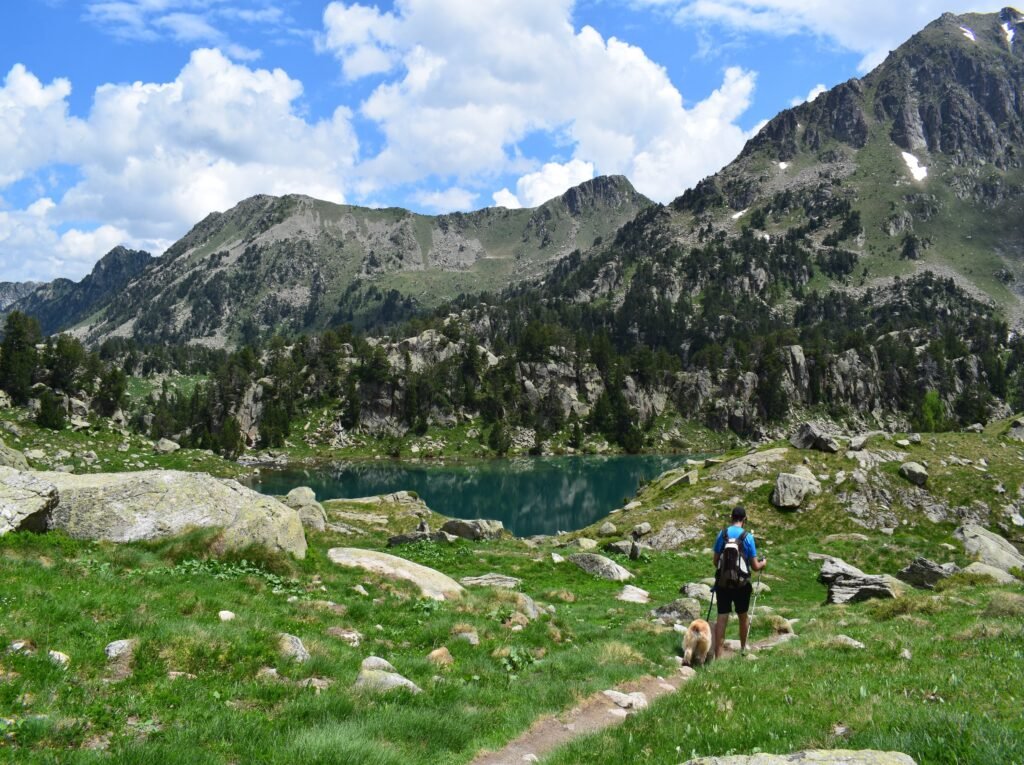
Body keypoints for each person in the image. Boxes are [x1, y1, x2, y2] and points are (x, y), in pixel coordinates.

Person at [712, 505, 767, 658]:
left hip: (723, 584)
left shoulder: (722, 534)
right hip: (742, 585)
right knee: (743, 616)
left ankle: (718, 656)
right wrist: (764, 563)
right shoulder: (747, 537)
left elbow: (715, 561)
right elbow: (755, 566)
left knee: (722, 617)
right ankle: (743, 649)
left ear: (731, 518)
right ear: (744, 519)